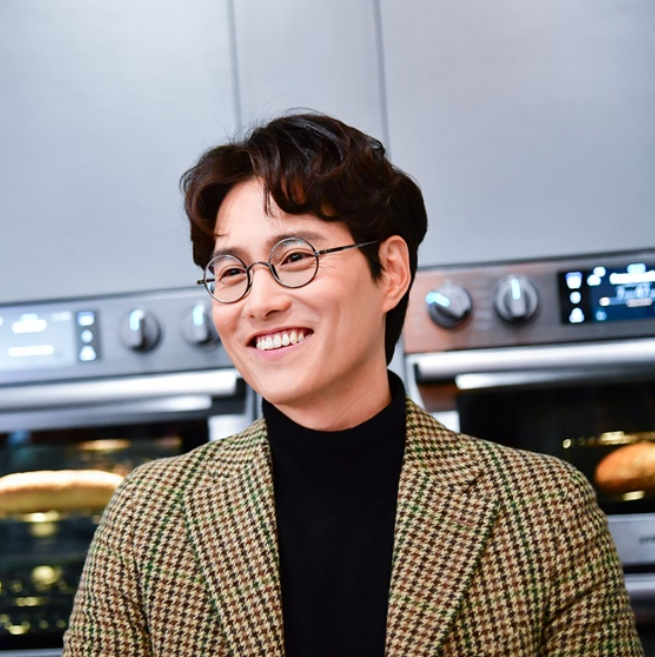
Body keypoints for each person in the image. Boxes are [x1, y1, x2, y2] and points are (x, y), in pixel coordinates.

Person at [62, 113, 643, 656]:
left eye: (295, 257)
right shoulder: (147, 516)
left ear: (389, 272)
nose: (259, 302)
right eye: (232, 271)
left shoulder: (545, 511)